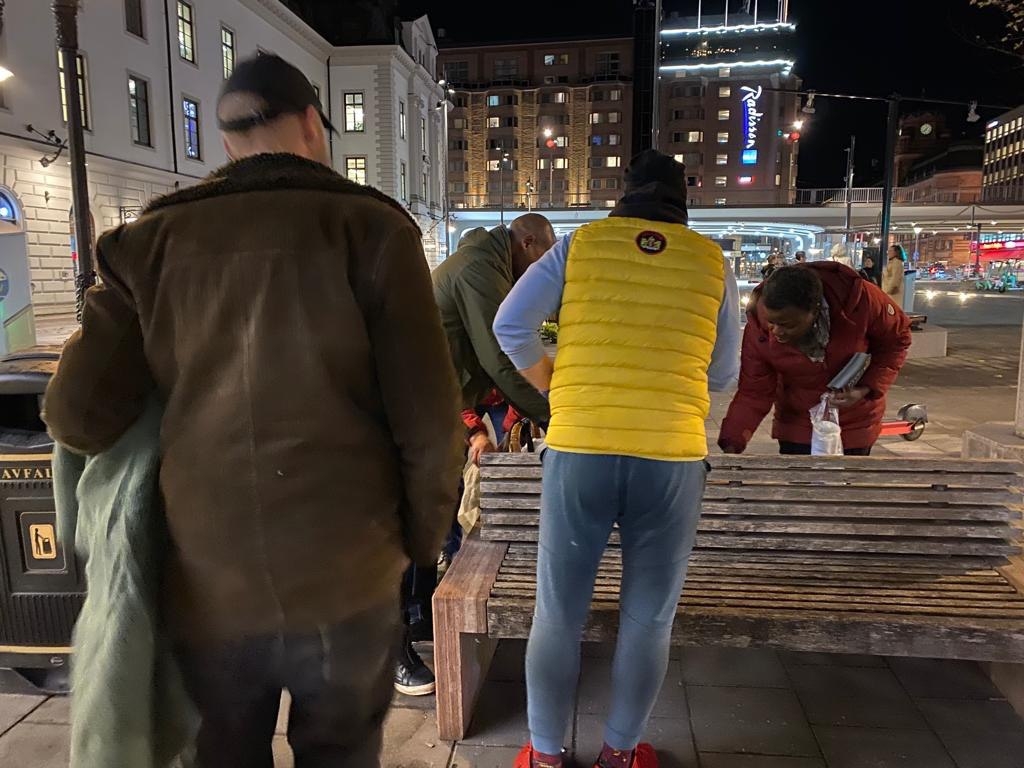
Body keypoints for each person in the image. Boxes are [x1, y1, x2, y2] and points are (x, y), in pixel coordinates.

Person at [44, 54, 463, 768]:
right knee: (340, 753)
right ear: (312, 125)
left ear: (225, 138)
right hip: (348, 571)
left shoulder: (148, 242)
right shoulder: (372, 230)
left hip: (208, 575)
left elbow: (77, 415)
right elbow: (430, 423)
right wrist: (418, 545)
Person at [493, 150, 740, 768]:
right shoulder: (713, 262)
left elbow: (511, 325)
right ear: (684, 201)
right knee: (649, 620)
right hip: (672, 457)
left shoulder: (579, 247)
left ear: (622, 196)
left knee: (557, 615)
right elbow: (723, 373)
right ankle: (620, 756)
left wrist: (556, 385)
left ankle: (545, 757)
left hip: (580, 449)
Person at [390, 213, 557, 697]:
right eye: (544, 259)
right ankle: (391, 648)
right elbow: (501, 355)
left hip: (434, 411)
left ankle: (419, 618)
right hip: (412, 413)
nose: (542, 271)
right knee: (408, 526)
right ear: (527, 242)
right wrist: (556, 415)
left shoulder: (490, 265)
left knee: (433, 518)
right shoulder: (479, 269)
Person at [718, 263, 911, 456]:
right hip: (797, 424)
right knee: (800, 474)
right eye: (771, 322)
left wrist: (866, 388)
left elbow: (897, 340)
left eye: (787, 325)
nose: (776, 331)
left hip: (854, 423)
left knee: (847, 475)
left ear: (815, 311)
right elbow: (754, 391)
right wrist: (732, 443)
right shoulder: (758, 327)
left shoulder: (860, 299)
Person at [882, 244, 908, 309]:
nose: (888, 252)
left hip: (892, 294)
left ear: (896, 252)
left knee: (892, 310)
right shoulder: (892, 262)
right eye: (888, 251)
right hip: (890, 293)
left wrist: (888, 291)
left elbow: (895, 279)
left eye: (890, 251)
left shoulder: (896, 263)